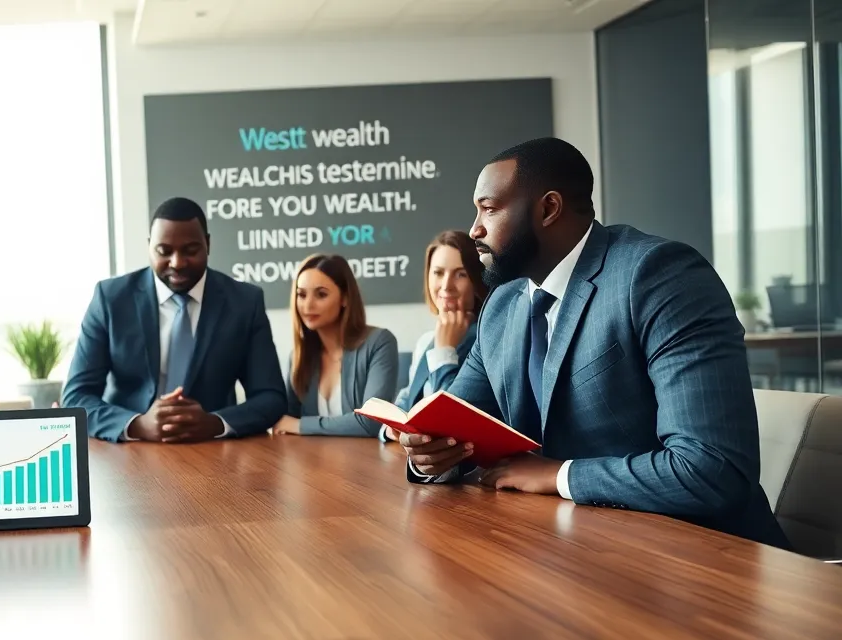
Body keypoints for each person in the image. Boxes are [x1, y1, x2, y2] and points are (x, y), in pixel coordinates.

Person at [399, 137, 790, 549]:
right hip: (570, 547)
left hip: (702, 558)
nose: (474, 229)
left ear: (549, 209)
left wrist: (558, 474)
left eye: (489, 209)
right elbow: (457, 426)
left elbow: (712, 469)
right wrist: (431, 458)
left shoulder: (659, 276)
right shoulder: (503, 305)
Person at [62, 197, 287, 442]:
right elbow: (76, 398)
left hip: (213, 452)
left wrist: (214, 423)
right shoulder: (111, 299)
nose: (177, 263)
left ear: (208, 245)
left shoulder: (244, 302)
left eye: (190, 250)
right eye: (164, 251)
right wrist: (137, 425)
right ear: (149, 246)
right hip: (128, 451)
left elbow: (271, 397)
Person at [272, 254, 398, 437]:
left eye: (321, 294)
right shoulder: (299, 355)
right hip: (311, 461)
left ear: (345, 298)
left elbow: (372, 422)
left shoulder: (379, 342)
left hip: (366, 461)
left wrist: (300, 426)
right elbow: (286, 422)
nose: (308, 305)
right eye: (301, 295)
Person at [389, 231, 488, 420]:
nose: (446, 285)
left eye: (461, 274)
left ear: (476, 280)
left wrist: (445, 350)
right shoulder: (426, 340)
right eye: (438, 273)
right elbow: (407, 399)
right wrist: (389, 429)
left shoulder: (486, 340)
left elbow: (447, 418)